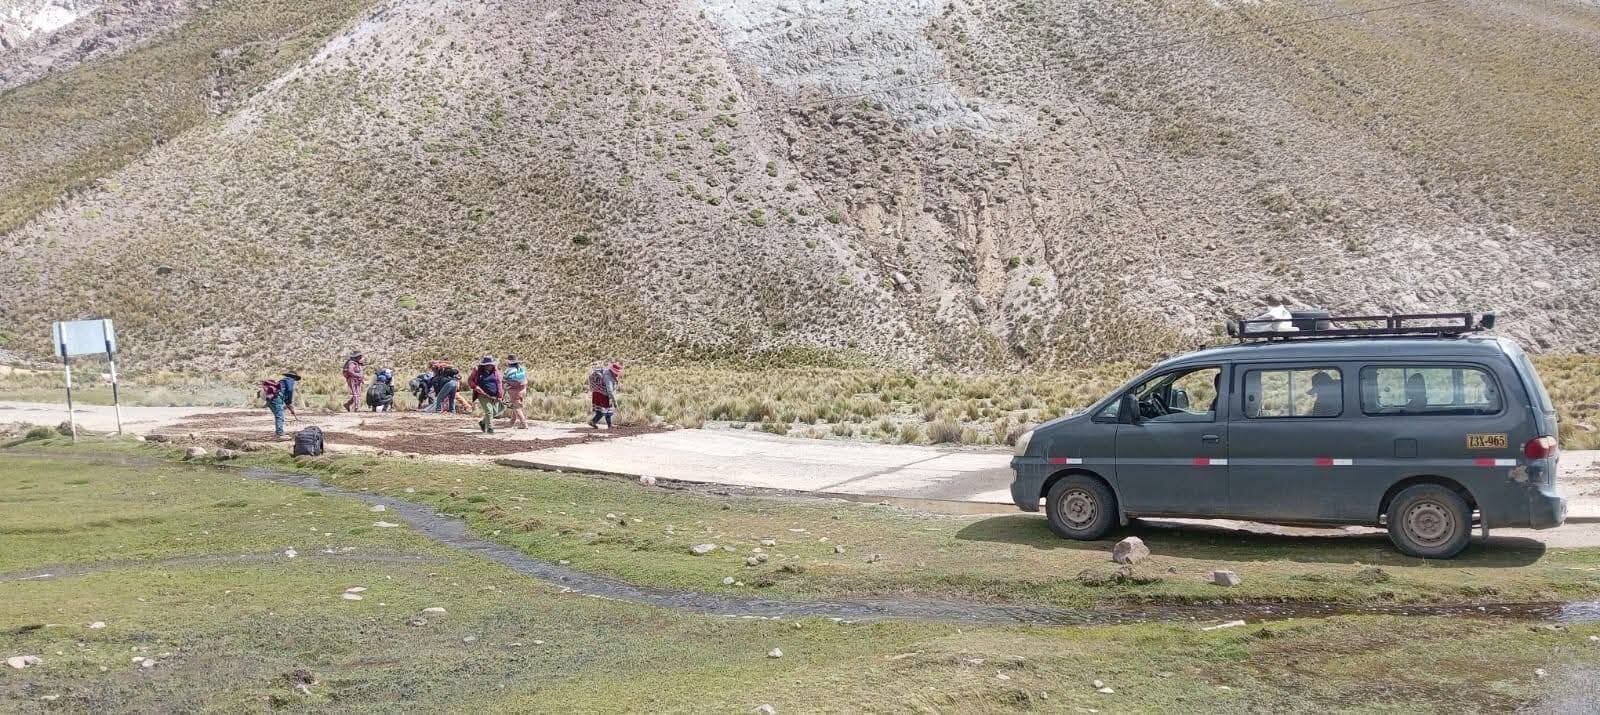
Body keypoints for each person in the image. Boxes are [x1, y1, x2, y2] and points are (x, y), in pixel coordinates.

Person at [262, 371, 300, 440]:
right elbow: (289, 391)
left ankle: (279, 433)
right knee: (280, 416)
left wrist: (290, 407)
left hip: (271, 398)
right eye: (295, 379)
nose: (295, 381)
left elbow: (285, 397)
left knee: (279, 415)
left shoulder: (282, 381)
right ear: (294, 377)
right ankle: (280, 434)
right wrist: (289, 402)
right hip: (276, 398)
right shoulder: (290, 380)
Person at [470, 356, 504, 433]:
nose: (490, 366)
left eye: (491, 364)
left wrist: (500, 395)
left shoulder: (496, 372)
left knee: (495, 412)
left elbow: (499, 383)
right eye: (488, 364)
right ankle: (489, 428)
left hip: (494, 395)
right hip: (482, 394)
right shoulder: (477, 371)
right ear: (484, 365)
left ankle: (482, 423)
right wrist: (475, 387)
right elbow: (470, 380)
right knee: (489, 411)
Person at [587, 361, 622, 429]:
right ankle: (609, 425)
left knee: (601, 410)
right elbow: (610, 390)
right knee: (607, 409)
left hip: (597, 392)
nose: (617, 374)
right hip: (602, 394)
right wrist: (614, 401)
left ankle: (593, 421)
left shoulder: (606, 372)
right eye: (616, 372)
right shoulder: (608, 377)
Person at [502, 355, 529, 429]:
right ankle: (511, 422)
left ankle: (524, 424)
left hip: (513, 391)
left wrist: (502, 393)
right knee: (516, 406)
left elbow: (504, 381)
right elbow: (526, 379)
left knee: (517, 407)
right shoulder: (522, 369)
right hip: (523, 389)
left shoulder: (508, 370)